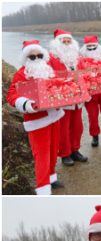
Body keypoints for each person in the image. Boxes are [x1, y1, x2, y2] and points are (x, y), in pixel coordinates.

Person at [6, 39, 64, 195]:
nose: (36, 59)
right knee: (42, 155)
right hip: (37, 121)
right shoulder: (21, 74)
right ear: (26, 59)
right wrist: (25, 104)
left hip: (54, 116)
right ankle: (43, 188)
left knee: (53, 150)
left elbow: (57, 87)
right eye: (32, 57)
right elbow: (11, 95)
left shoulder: (48, 70)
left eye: (39, 55)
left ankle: (52, 178)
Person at [49, 29, 93, 161]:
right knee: (63, 128)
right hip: (63, 100)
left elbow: (84, 73)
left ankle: (75, 149)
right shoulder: (51, 59)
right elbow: (48, 77)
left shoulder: (77, 58)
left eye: (69, 41)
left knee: (77, 126)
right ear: (58, 44)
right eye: (64, 41)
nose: (67, 44)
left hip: (78, 99)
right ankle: (65, 153)